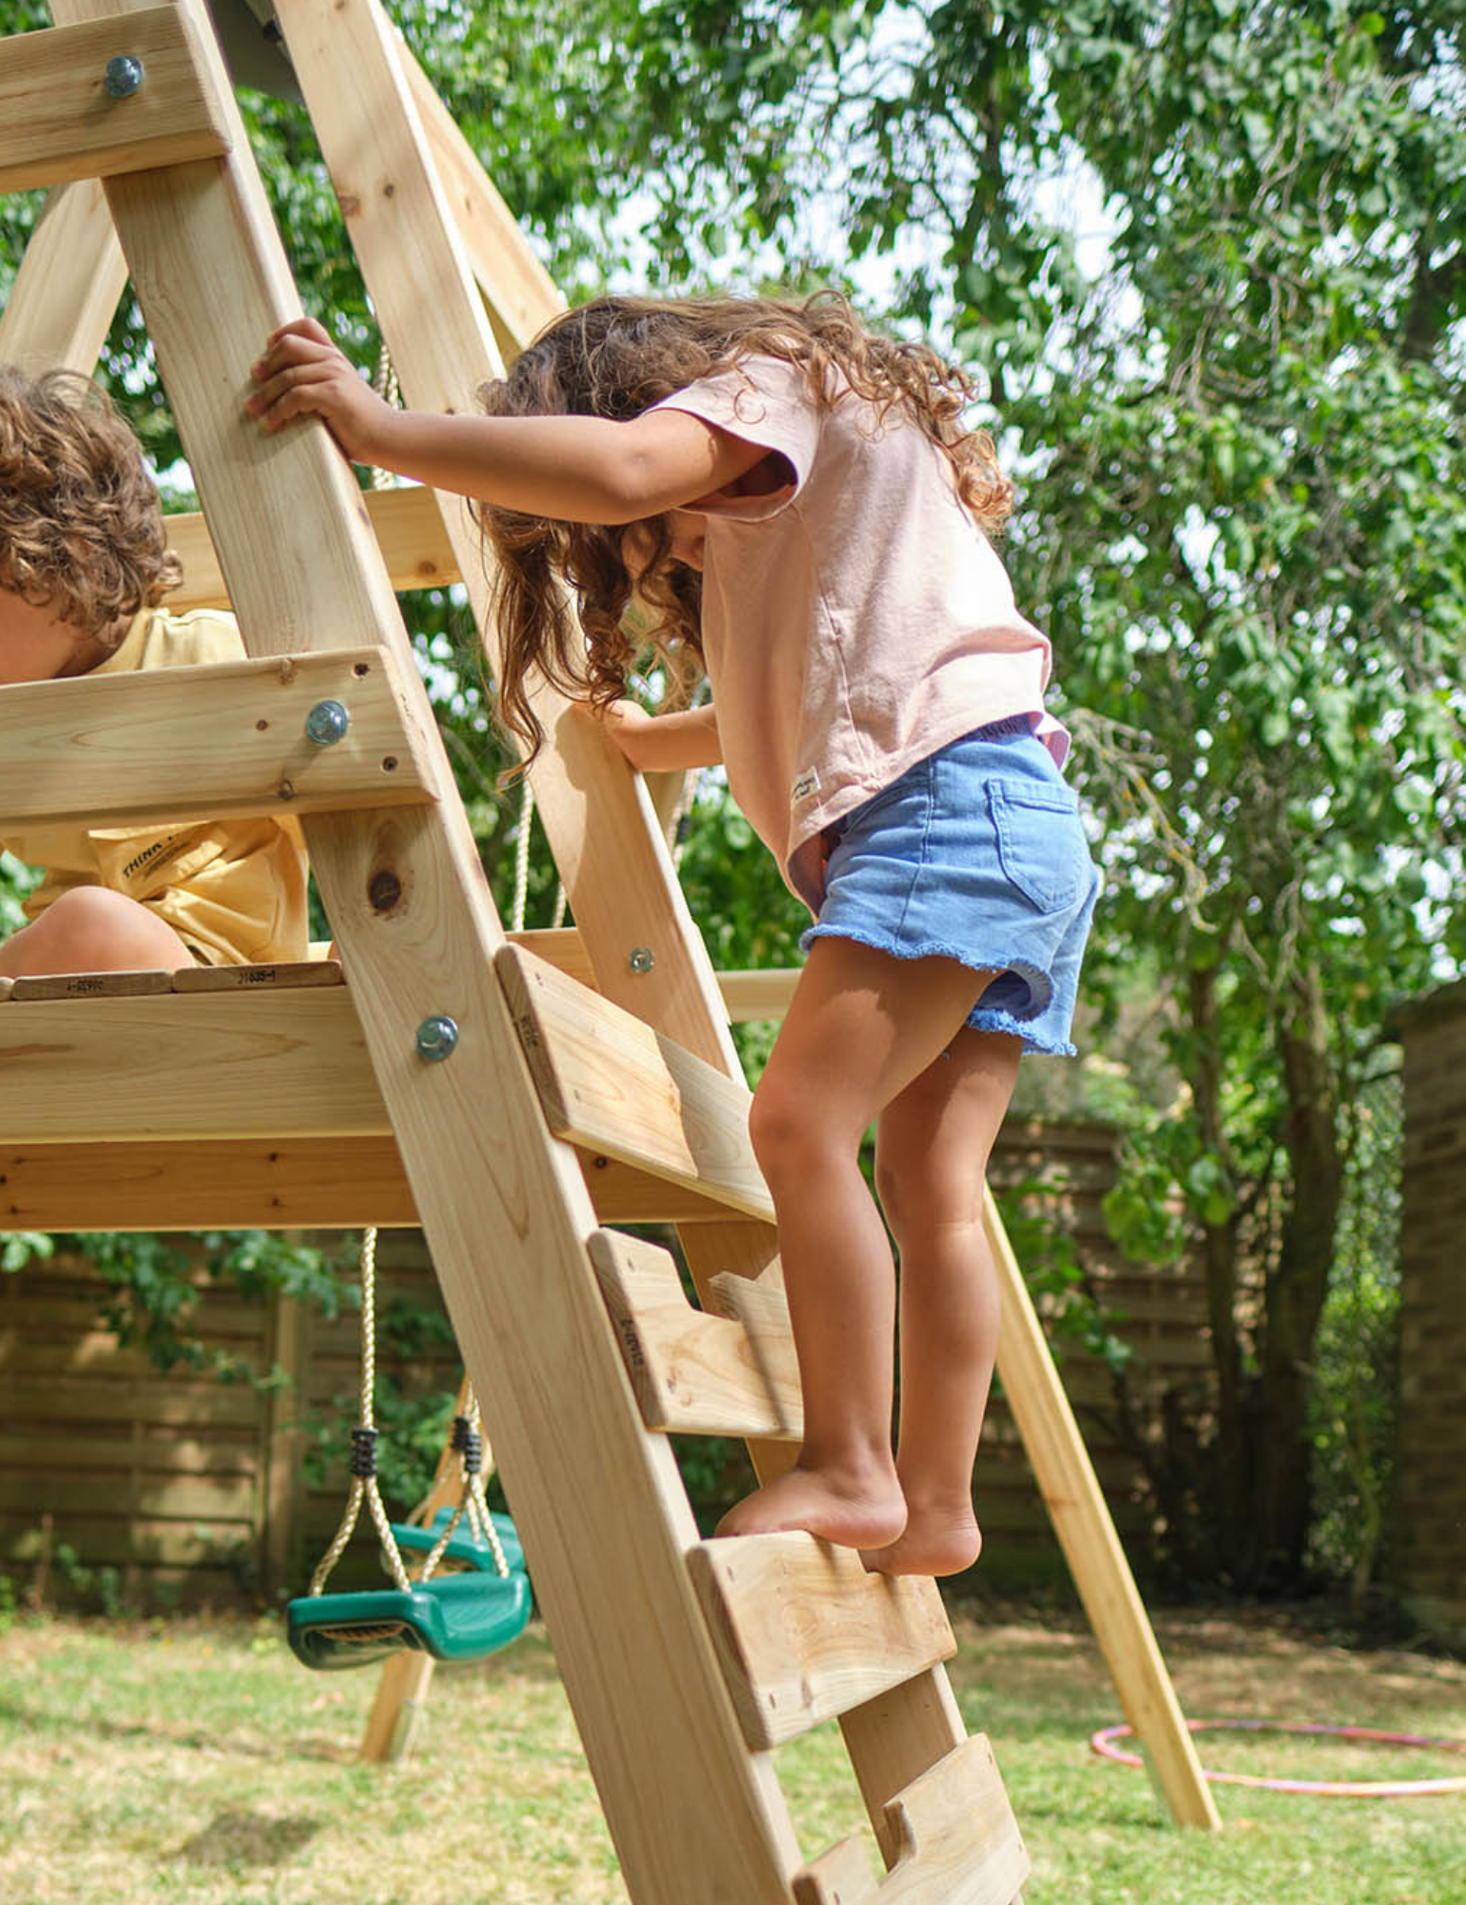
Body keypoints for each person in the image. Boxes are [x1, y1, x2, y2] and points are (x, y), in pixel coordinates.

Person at [245, 293, 1098, 1576]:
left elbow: (635, 467)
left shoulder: (774, 381)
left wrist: (379, 430)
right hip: (1019, 816)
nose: (661, 560)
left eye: (641, 540)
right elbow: (833, 678)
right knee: (930, 1187)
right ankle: (937, 1506)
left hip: (947, 811)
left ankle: (853, 1467)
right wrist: (660, 741)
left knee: (794, 1125)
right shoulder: (839, 487)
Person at [0, 365, 309, 980]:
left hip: (215, 987)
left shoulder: (215, 666)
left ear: (64, 559)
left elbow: (371, 827)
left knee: (93, 926)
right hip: (51, 987)